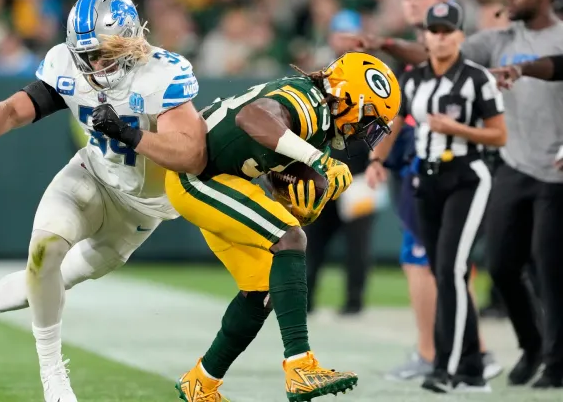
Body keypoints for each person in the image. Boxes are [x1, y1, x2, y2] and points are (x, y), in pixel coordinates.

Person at [0, 0, 208, 402]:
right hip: (91, 176)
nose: (95, 64)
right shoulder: (67, 64)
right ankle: (53, 379)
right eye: (89, 54)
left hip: (142, 210)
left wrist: (131, 133)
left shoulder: (161, 74)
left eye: (105, 52)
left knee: (47, 282)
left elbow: (191, 154)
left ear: (132, 40)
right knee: (44, 252)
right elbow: (16, 107)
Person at [103, 51, 399, 401]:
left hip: (220, 179)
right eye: (369, 119)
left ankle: (201, 382)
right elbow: (252, 117)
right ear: (349, 98)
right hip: (199, 177)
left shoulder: (318, 122)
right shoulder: (309, 101)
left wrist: (296, 205)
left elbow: (271, 175)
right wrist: (317, 161)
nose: (365, 132)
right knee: (290, 238)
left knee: (261, 288)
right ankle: (301, 366)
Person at [335, 0, 503, 381]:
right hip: (416, 162)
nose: (410, 2)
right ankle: (446, 351)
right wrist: (378, 158)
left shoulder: (457, 53)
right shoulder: (414, 65)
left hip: (457, 166)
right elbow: (395, 115)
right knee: (427, 260)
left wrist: (386, 44)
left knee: (441, 262)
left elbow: (434, 60)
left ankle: (455, 354)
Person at [303, 143, 376, 316]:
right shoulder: (319, 118)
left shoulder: (364, 120)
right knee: (311, 245)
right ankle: (304, 300)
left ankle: (354, 301)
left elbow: (377, 144)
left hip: (356, 185)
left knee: (357, 247)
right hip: (321, 185)